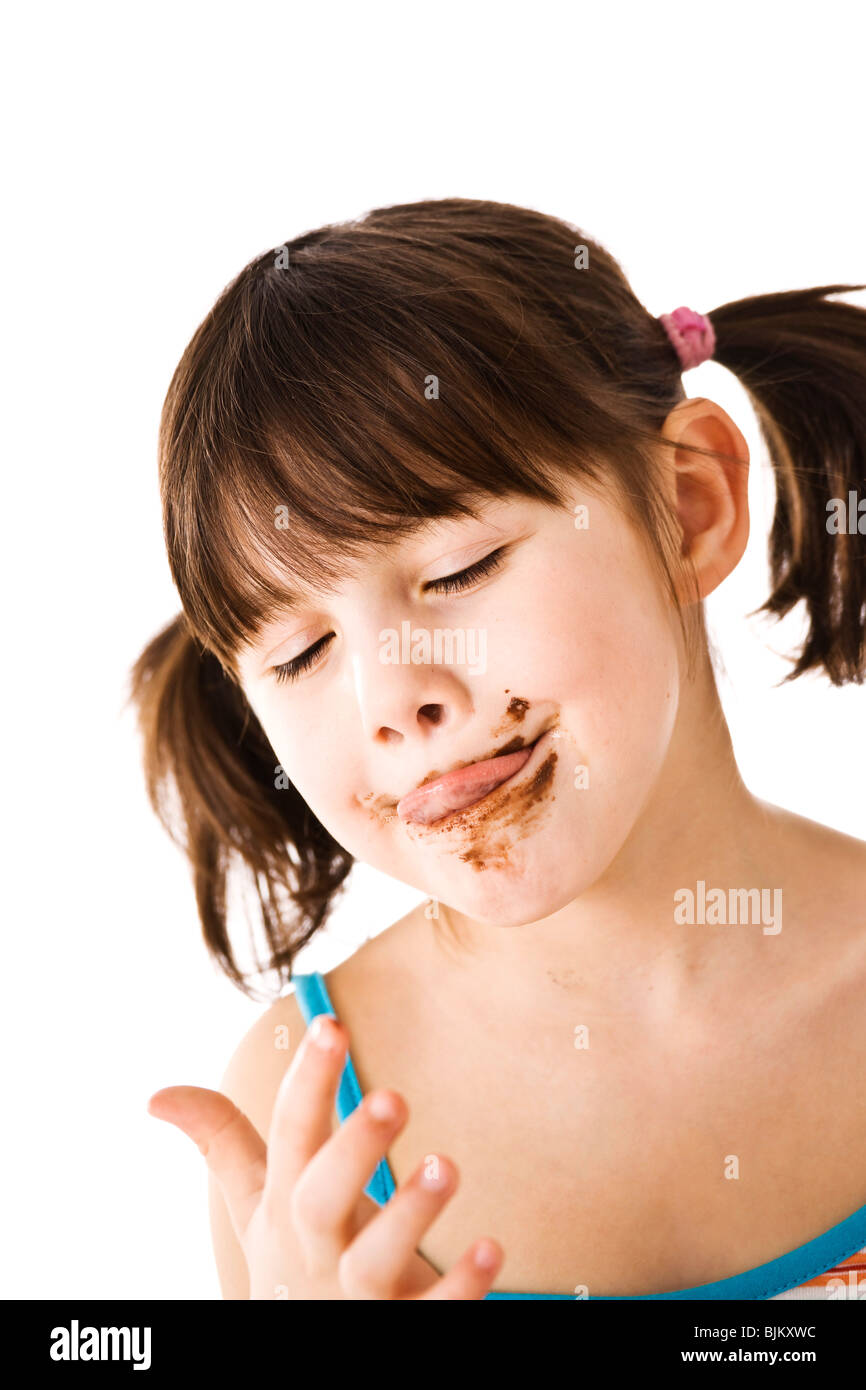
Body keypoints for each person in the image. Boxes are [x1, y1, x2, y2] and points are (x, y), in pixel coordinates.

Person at [132, 198, 866, 1300]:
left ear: (688, 506)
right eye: (301, 654)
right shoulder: (305, 1127)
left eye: (459, 570)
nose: (393, 699)